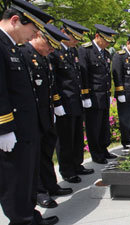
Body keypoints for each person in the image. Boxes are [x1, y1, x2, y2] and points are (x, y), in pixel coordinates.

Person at [0, 1, 60, 224]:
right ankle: (21, 220)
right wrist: (3, 128)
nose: (32, 36)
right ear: (16, 21)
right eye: (32, 31)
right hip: (12, 130)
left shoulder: (11, 45)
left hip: (26, 128)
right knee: (15, 180)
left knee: (27, 176)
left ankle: (30, 216)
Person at [19, 23, 73, 209]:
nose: (51, 50)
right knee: (35, 158)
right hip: (32, 117)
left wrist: (56, 105)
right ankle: (40, 192)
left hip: (46, 114)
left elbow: (51, 84)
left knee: (46, 153)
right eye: (49, 45)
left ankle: (51, 185)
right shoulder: (24, 54)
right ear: (39, 37)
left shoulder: (44, 57)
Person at [49, 19, 94, 183]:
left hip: (75, 101)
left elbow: (77, 77)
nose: (76, 40)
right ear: (63, 33)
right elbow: (53, 80)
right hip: (64, 103)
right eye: (73, 36)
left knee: (76, 137)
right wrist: (57, 102)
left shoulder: (73, 52)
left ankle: (77, 164)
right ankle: (67, 170)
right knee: (65, 138)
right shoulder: (54, 52)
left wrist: (83, 96)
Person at [78, 24, 118, 164]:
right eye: (105, 40)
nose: (107, 43)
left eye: (109, 41)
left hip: (104, 95)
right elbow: (84, 74)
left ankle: (104, 149)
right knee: (93, 126)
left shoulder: (106, 53)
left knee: (103, 126)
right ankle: (96, 153)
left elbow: (107, 75)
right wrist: (85, 95)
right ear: (97, 36)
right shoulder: (85, 50)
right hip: (93, 96)